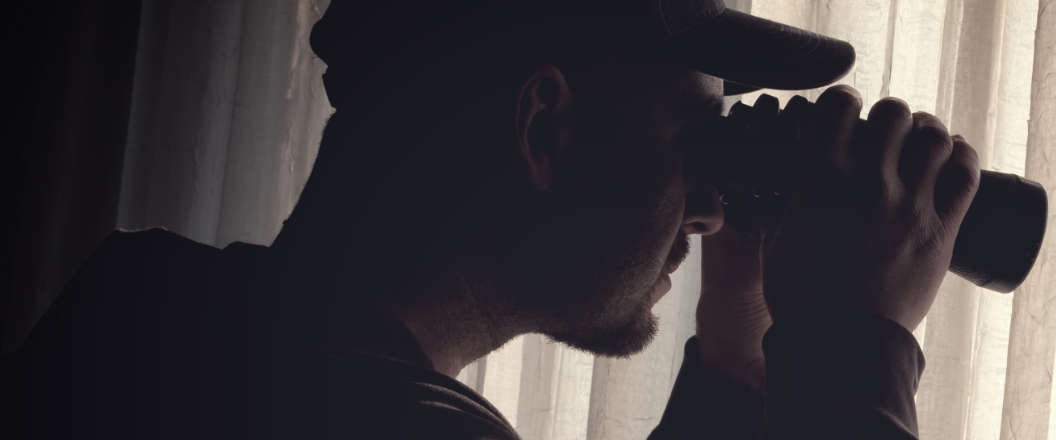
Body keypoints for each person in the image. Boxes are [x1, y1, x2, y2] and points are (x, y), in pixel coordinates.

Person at [0, 0, 979, 438]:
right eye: (691, 144)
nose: (713, 208)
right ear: (544, 126)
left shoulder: (142, 304)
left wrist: (736, 354)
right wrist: (858, 348)